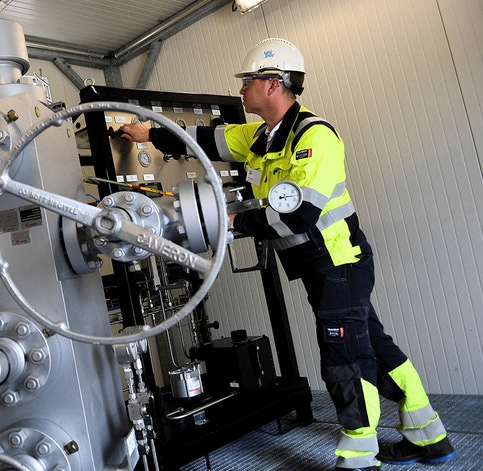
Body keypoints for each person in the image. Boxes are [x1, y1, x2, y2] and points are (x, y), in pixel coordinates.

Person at [117, 38, 455, 471]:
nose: (241, 89)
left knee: (344, 355)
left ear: (273, 84)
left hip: (338, 261)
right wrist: (148, 133)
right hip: (316, 265)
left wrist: (232, 223)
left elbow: (300, 214)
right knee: (373, 344)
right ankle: (430, 438)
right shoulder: (260, 137)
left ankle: (359, 457)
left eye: (248, 81)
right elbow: (205, 139)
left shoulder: (315, 136)